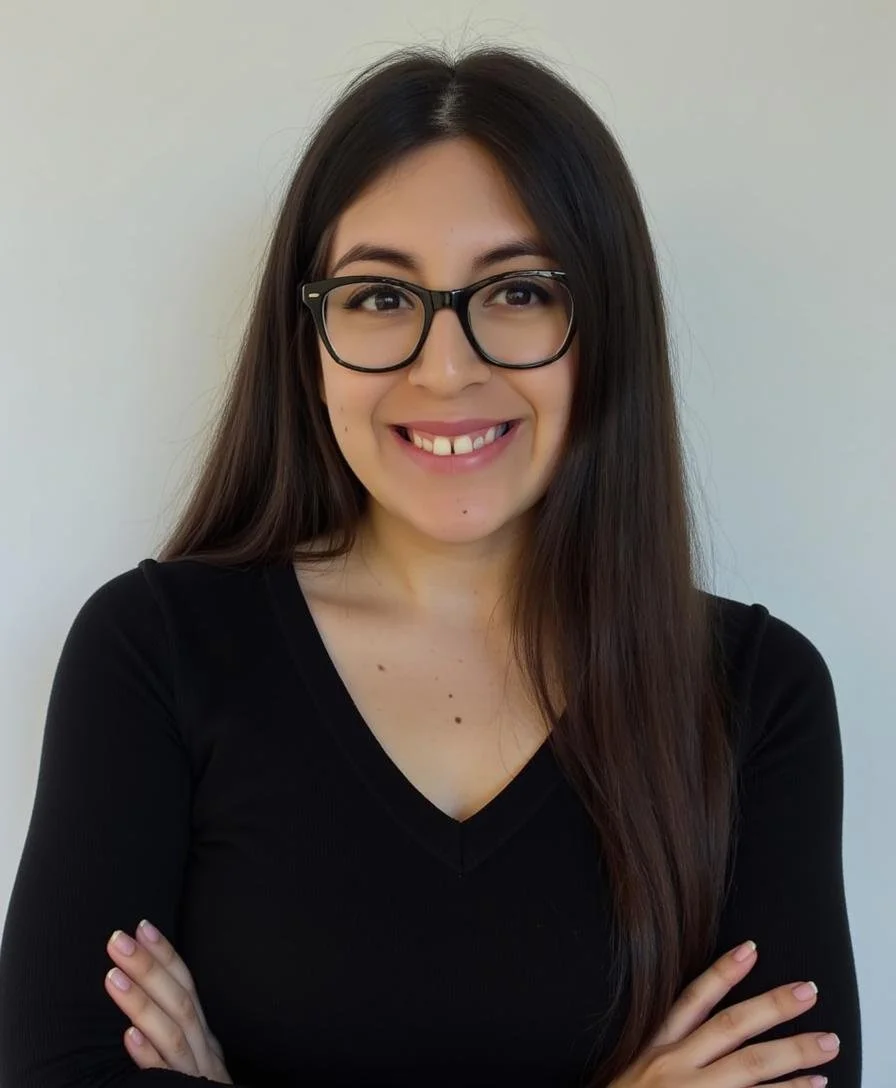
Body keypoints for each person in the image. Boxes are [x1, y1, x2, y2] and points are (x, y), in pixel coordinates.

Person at [0, 44, 861, 1088]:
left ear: (606, 330)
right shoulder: (154, 651)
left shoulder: (754, 694)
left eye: (518, 291)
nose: (446, 368)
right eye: (378, 298)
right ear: (308, 343)